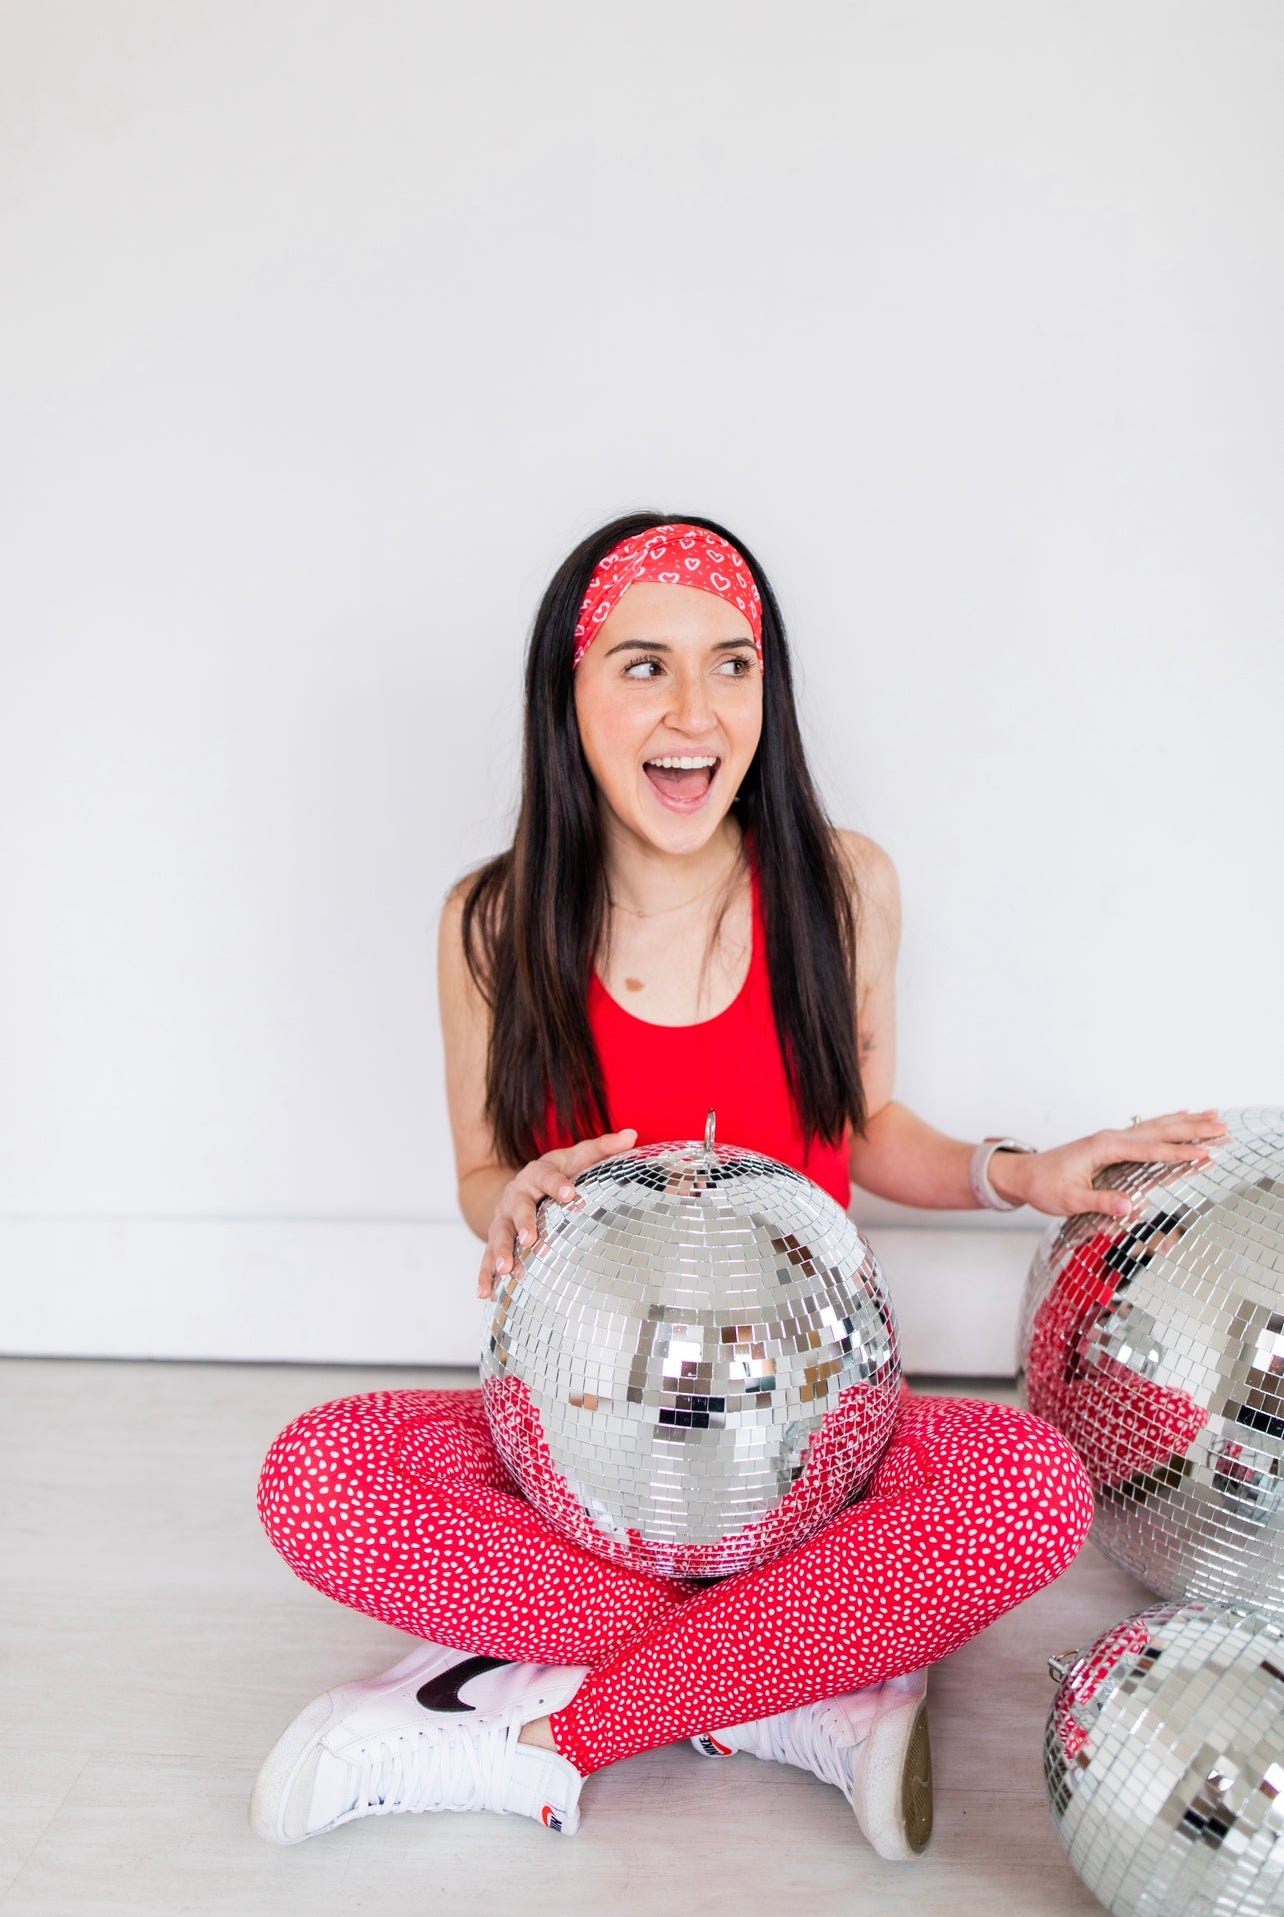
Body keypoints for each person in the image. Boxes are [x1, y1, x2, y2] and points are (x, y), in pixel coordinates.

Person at [249, 514, 1228, 1857]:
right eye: (644, 665)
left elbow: (867, 1126)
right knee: (318, 1477)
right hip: (579, 1458)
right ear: (570, 692)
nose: (695, 710)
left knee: (1035, 1490)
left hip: (812, 1457)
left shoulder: (840, 888)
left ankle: (550, 1726)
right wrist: (516, 1189)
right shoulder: (491, 920)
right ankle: (795, 1680)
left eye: (733, 663)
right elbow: (484, 1175)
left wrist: (1023, 1170)